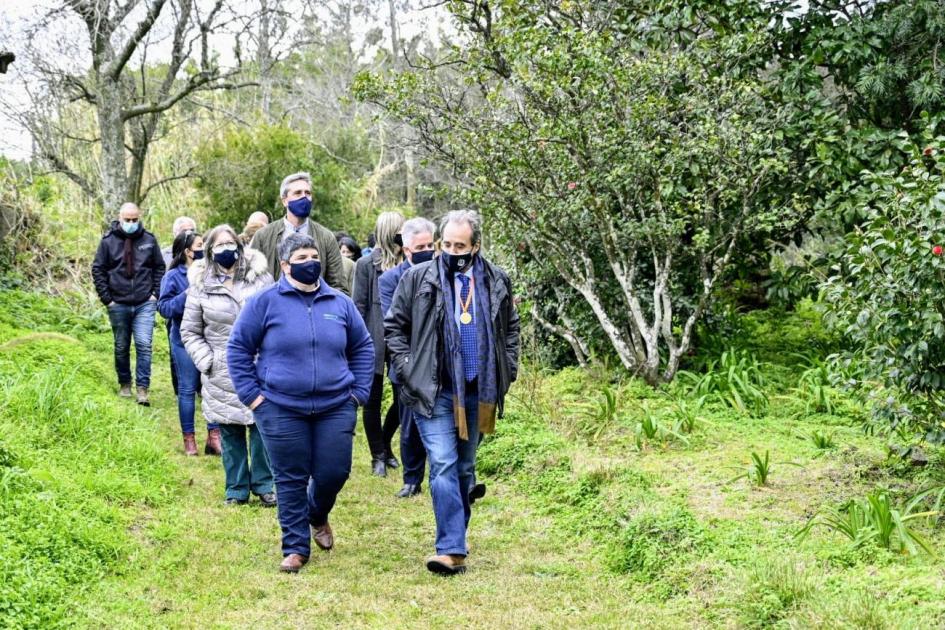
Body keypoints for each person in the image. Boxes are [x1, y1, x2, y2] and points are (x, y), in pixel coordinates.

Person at [227, 233, 374, 573]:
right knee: (290, 477)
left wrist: (359, 393)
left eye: (314, 256)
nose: (310, 263)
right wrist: (254, 397)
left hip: (336, 403)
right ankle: (295, 547)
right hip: (279, 406)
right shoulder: (264, 302)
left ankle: (317, 513)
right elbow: (238, 349)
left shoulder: (340, 303)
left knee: (334, 471)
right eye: (302, 257)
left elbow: (363, 347)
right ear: (284, 265)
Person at [384, 210, 520, 576]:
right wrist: (407, 367)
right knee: (442, 463)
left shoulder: (495, 280)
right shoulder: (418, 278)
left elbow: (510, 328)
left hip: (479, 390)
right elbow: (394, 327)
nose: (451, 251)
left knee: (464, 468)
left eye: (460, 245)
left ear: (476, 246)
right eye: (446, 244)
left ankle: (456, 534)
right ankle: (451, 548)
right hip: (433, 389)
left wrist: (508, 368)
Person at [180, 225, 276, 502]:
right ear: (210, 251)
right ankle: (235, 488)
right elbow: (190, 331)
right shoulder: (200, 286)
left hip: (259, 363)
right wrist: (206, 361)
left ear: (239, 245)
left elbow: (275, 318)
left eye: (229, 244)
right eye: (219, 245)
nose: (226, 250)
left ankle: (264, 485)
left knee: (260, 427)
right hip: (221, 365)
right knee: (229, 427)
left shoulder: (260, 279)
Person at [379, 217, 435, 498]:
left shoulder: (444, 273)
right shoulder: (390, 280)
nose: (426, 251)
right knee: (410, 424)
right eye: (420, 246)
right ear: (406, 249)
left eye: (430, 245)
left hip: (440, 361)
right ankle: (412, 479)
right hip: (407, 361)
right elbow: (396, 321)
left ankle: (452, 476)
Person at [91, 202, 165, 406]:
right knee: (121, 345)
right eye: (127, 220)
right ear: (120, 218)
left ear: (139, 218)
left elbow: (159, 267)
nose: (131, 223)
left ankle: (143, 389)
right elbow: (98, 269)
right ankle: (125, 383)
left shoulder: (149, 240)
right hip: (118, 303)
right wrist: (108, 299)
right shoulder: (108, 241)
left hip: (144, 302)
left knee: (143, 344)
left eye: (134, 220)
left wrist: (155, 294)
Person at [157, 230, 219, 456]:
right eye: (200, 245)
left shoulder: (211, 272)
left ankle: (214, 437)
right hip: (183, 340)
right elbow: (164, 309)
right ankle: (189, 439)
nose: (204, 249)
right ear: (188, 251)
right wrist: (187, 294)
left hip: (210, 337)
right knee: (186, 388)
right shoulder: (172, 276)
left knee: (211, 386)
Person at [353, 211, 404, 478]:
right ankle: (378, 455)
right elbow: (358, 306)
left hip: (400, 341)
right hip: (372, 338)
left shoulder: (408, 262)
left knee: (402, 399)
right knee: (371, 400)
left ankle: (385, 441)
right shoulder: (365, 264)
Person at [249, 172, 347, 293]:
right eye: (297, 193)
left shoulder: (326, 237)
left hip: (313, 307)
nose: (304, 197)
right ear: (284, 201)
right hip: (274, 307)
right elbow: (250, 282)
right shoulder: (263, 236)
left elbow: (338, 285)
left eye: (308, 193)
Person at [162, 216, 198, 396]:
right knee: (177, 349)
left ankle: (200, 387)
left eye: (191, 230)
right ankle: (181, 386)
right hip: (177, 315)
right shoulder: (165, 255)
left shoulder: (204, 257)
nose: (188, 234)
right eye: (184, 231)